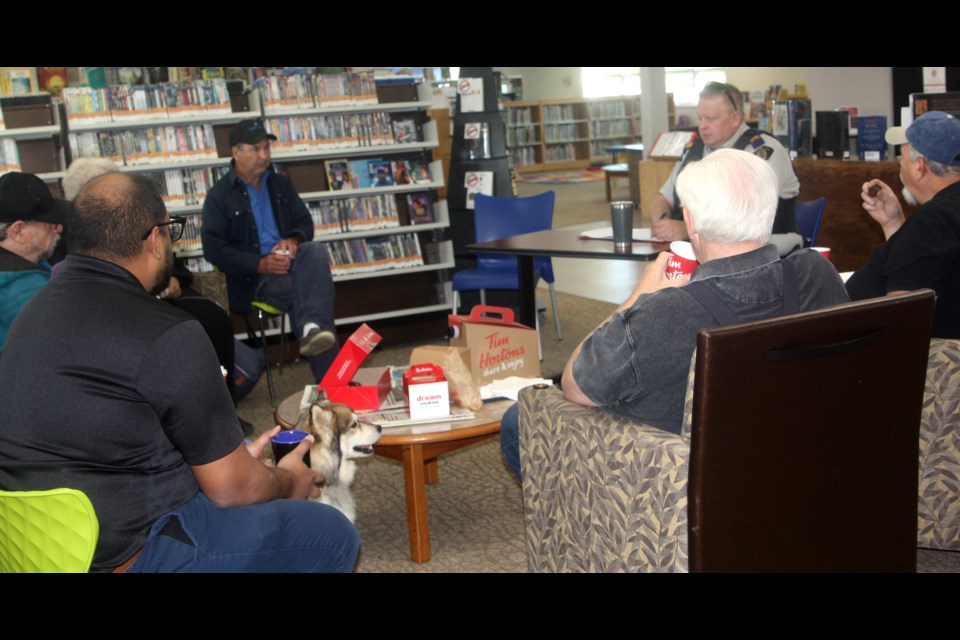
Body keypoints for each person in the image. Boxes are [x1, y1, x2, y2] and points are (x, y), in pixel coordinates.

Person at [0, 172, 359, 572]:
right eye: (171, 231)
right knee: (330, 533)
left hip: (39, 546)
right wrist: (288, 481)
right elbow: (232, 491)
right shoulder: (167, 332)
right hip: (128, 552)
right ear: (154, 239)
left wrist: (235, 462)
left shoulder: (29, 315)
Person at [500, 149, 849, 480]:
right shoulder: (817, 274)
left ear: (691, 223)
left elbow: (576, 385)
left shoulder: (667, 311)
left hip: (689, 482)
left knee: (520, 419)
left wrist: (643, 293)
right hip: (801, 460)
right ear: (769, 212)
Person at [60, 158, 246, 406]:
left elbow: (174, 263)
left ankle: (222, 402)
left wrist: (173, 279)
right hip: (119, 311)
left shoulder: (139, 219)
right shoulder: (77, 238)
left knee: (211, 318)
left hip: (164, 296)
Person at [202, 118, 339, 381]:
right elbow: (214, 250)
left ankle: (313, 328)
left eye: (266, 148)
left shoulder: (280, 184)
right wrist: (259, 264)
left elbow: (304, 223)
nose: (264, 156)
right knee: (311, 294)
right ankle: (331, 380)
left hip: (291, 264)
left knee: (313, 251)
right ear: (236, 152)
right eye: (256, 149)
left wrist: (293, 240)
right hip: (254, 279)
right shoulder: (219, 196)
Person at [650, 81, 803, 257]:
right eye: (700, 118)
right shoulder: (694, 151)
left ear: (735, 118)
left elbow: (745, 218)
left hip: (763, 251)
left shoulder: (762, 152)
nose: (702, 126)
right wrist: (662, 225)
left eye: (711, 119)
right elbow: (663, 199)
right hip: (702, 250)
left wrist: (687, 230)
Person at [845, 110, 960, 339]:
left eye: (901, 157)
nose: (899, 165)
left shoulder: (934, 221)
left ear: (919, 167)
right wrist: (894, 224)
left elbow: (902, 318)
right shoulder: (939, 219)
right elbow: (921, 266)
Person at [0, 172, 68, 348]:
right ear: (19, 231)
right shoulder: (22, 289)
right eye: (49, 224)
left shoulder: (27, 265)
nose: (58, 228)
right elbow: (65, 345)